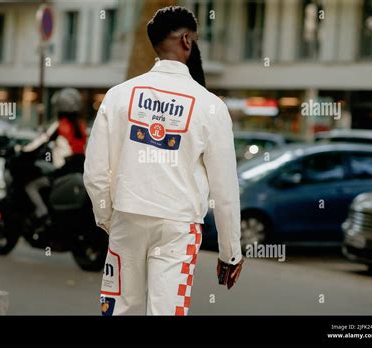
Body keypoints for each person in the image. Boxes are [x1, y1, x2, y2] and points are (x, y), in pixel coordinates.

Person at [84, 6, 243, 316]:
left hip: (126, 217)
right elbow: (224, 191)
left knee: (118, 309)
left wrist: (108, 218)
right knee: (167, 311)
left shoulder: (118, 96)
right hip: (178, 226)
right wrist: (230, 253)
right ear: (186, 40)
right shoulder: (209, 106)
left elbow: (95, 172)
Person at [24, 88, 86, 227]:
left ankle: (43, 212)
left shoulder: (59, 125)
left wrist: (22, 150)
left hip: (63, 170)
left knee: (31, 186)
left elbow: (39, 142)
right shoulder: (81, 126)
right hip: (80, 168)